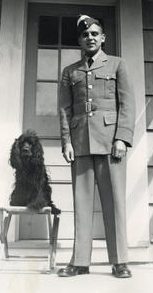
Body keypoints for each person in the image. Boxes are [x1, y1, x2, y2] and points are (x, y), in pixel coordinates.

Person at [58, 15, 135, 278]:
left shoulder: (117, 64)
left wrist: (122, 138)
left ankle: (120, 261)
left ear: (103, 38)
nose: (89, 38)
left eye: (94, 34)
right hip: (80, 144)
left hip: (112, 144)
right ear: (79, 40)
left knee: (114, 203)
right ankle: (80, 261)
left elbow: (127, 104)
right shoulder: (70, 72)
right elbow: (65, 109)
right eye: (84, 35)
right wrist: (66, 141)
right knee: (81, 203)